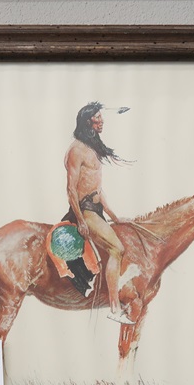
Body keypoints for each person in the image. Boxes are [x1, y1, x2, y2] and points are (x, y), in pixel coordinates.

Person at [63, 102, 134, 325]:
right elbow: (71, 189)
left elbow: (98, 190)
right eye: (98, 118)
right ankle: (114, 308)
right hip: (85, 211)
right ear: (88, 122)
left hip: (96, 210)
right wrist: (81, 220)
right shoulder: (76, 150)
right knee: (117, 249)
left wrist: (115, 217)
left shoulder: (92, 149)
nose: (102, 121)